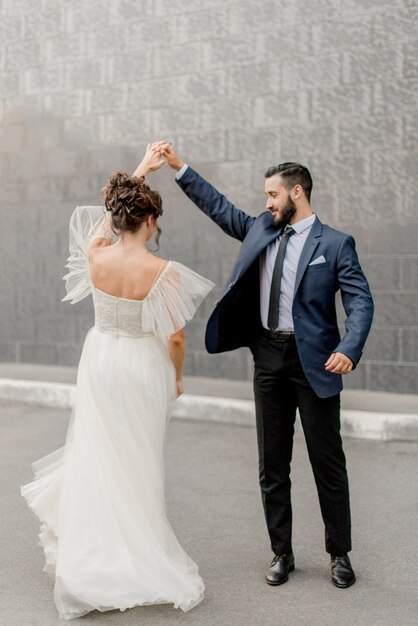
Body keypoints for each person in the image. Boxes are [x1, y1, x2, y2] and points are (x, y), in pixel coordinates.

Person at [161, 143, 374, 589]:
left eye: (272, 195)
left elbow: (360, 301)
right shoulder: (261, 229)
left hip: (317, 364)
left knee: (327, 463)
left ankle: (340, 554)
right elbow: (219, 208)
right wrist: (180, 168)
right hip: (268, 359)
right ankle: (282, 552)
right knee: (272, 464)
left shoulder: (335, 244)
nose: (266, 203)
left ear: (296, 193)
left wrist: (350, 348)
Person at [20, 142, 214, 621]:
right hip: (141, 367)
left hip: (100, 358)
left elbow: (102, 222)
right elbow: (174, 339)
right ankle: (134, 548)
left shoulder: (96, 254)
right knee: (138, 457)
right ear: (148, 222)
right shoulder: (161, 272)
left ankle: (94, 543)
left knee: (97, 450)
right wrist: (177, 376)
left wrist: (141, 170)